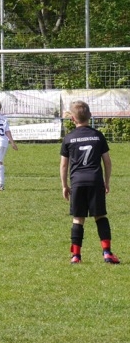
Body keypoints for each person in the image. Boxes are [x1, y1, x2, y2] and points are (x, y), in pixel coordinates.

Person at [61, 100, 120, 264]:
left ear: (73, 119)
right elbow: (107, 161)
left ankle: (76, 256)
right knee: (100, 216)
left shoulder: (69, 138)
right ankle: (107, 253)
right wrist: (106, 182)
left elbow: (64, 165)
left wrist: (64, 185)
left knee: (78, 218)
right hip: (95, 181)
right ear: (90, 116)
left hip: (77, 183)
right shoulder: (98, 136)